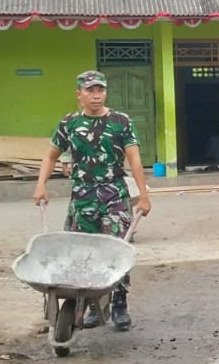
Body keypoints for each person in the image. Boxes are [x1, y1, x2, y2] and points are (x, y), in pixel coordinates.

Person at [34, 70, 153, 331]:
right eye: (90, 91)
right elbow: (51, 155)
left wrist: (143, 195)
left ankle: (119, 304)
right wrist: (41, 184)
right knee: (82, 253)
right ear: (79, 94)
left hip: (114, 196)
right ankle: (89, 304)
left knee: (115, 249)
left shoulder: (121, 121)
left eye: (100, 90)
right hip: (82, 198)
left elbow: (134, 159)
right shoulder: (69, 124)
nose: (96, 95)